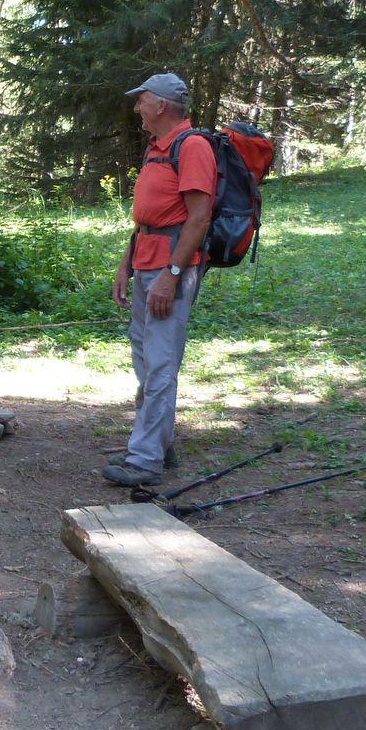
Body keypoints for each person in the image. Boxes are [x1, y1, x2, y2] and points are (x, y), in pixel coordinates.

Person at [102, 73, 216, 488]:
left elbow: (199, 218)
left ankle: (145, 460)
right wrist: (124, 265)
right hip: (146, 262)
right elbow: (148, 221)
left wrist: (172, 275)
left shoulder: (194, 147)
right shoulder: (157, 149)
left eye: (142, 100)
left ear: (162, 105)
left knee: (161, 362)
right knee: (145, 361)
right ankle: (160, 445)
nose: (137, 108)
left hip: (170, 270)